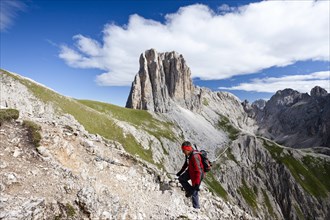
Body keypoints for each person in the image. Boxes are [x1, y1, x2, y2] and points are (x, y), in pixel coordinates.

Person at [176, 141, 204, 209]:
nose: (183, 152)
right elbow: (186, 164)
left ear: (187, 149)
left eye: (183, 150)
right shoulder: (188, 154)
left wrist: (197, 184)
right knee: (181, 178)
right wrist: (180, 172)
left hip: (197, 175)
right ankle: (189, 191)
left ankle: (196, 208)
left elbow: (199, 171)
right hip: (190, 171)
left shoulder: (195, 156)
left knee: (195, 192)